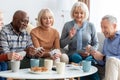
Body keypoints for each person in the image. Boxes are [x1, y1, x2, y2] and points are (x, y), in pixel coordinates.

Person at [60, 2, 99, 80]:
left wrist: (90, 51)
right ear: (73, 13)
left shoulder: (91, 25)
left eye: (81, 13)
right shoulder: (67, 25)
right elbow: (61, 44)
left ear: (85, 14)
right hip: (73, 54)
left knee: (88, 62)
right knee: (77, 58)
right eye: (76, 13)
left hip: (88, 54)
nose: (79, 15)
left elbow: (96, 43)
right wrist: (70, 37)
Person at [0, 10, 43, 74]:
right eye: (23, 21)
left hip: (23, 60)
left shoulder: (25, 33)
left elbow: (30, 49)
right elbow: (6, 54)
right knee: (6, 65)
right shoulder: (4, 32)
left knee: (40, 61)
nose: (26, 25)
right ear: (14, 20)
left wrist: (34, 53)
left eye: (27, 22)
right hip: (10, 62)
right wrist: (25, 52)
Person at [90, 15, 120, 80]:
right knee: (89, 61)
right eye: (101, 27)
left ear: (114, 26)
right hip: (110, 72)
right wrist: (95, 55)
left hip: (118, 69)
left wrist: (103, 58)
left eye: (105, 27)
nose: (102, 30)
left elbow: (106, 59)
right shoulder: (106, 40)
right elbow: (103, 61)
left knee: (112, 60)